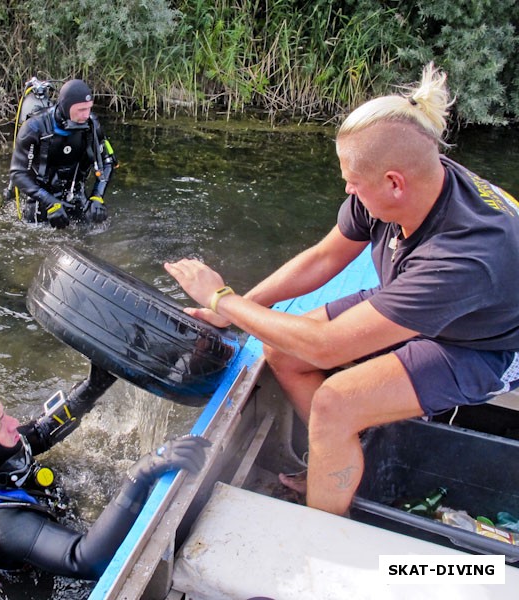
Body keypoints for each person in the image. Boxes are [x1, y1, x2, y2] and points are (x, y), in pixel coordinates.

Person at [163, 62, 519, 517]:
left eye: (353, 179)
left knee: (335, 403)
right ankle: (346, 459)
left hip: (484, 343)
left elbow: (327, 348)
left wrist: (219, 297)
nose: (347, 188)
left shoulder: (466, 255)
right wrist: (238, 309)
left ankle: (325, 527)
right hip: (420, 296)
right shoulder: (404, 181)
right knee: (283, 352)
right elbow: (323, 257)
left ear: (394, 183)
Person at [0, 362, 210, 598]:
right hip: (22, 583)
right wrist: (140, 474)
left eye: (5, 413)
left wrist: (94, 386)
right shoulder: (0, 523)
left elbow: (40, 433)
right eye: (3, 423)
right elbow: (83, 559)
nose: (15, 423)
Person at [8, 78, 116, 228]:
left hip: (75, 193)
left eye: (89, 108)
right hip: (42, 197)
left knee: (91, 231)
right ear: (66, 106)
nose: (86, 115)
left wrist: (97, 197)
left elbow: (108, 162)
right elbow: (18, 174)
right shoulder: (34, 128)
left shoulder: (91, 125)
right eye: (81, 110)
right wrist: (50, 202)